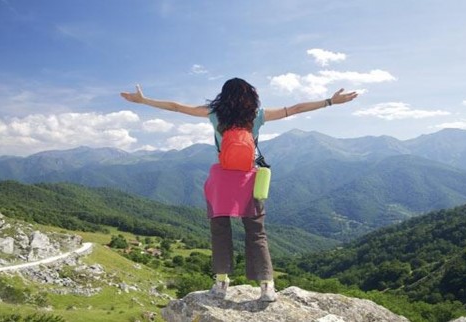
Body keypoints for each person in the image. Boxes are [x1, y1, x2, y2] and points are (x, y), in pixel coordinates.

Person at [121, 78, 357, 302]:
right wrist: (329, 101)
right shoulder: (258, 115)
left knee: (220, 230)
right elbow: (295, 108)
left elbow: (176, 107)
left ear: (223, 96)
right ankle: (267, 286)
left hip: (221, 179)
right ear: (250, 96)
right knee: (256, 232)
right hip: (249, 179)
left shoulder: (214, 114)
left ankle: (222, 283)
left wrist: (145, 100)